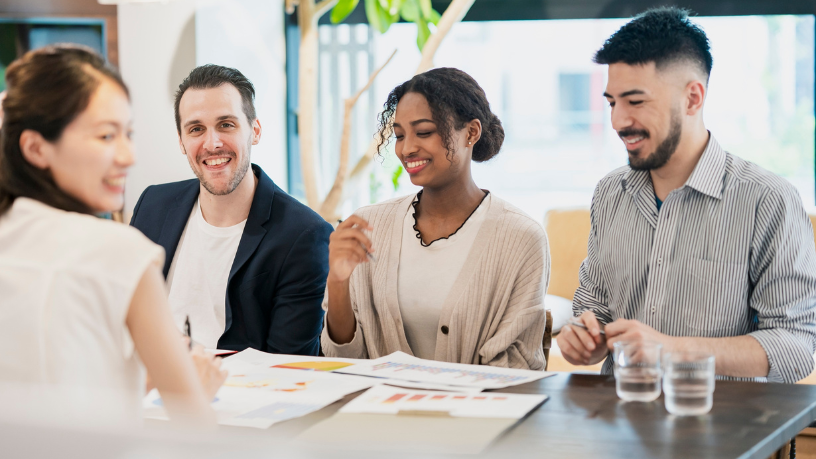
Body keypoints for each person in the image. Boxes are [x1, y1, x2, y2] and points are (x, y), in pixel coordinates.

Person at [557, 7, 816, 383]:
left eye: (635, 101)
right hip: (620, 413)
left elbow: (795, 347)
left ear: (693, 98)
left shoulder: (768, 200)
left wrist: (672, 350)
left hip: (722, 419)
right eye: (612, 102)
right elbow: (593, 309)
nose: (618, 121)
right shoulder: (610, 193)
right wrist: (584, 338)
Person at [0, 45, 225, 426]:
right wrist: (196, 394)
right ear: (36, 148)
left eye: (128, 134)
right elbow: (197, 435)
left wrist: (134, 383)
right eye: (106, 136)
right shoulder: (120, 252)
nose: (128, 156)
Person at [322, 68, 550, 369]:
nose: (406, 148)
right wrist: (338, 282)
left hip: (477, 401)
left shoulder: (520, 238)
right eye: (399, 135)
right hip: (376, 400)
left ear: (471, 133)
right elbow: (341, 360)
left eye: (424, 132)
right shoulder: (368, 227)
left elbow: (517, 367)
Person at [130, 65, 332, 355]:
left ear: (255, 131)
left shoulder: (305, 235)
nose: (212, 144)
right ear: (181, 142)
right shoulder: (153, 204)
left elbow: (289, 366)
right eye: (196, 129)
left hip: (239, 384)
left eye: (226, 124)